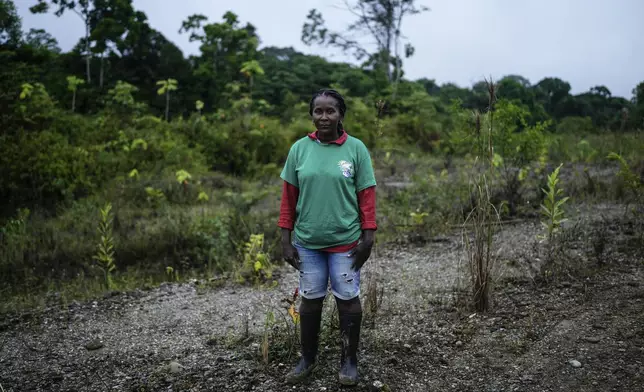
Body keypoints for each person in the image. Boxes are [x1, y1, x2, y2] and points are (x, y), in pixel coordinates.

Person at [277, 89, 377, 386]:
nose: (324, 117)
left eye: (330, 111)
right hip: (307, 242)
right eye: (318, 111)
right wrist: (285, 239)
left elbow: (366, 196)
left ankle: (349, 361)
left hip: (346, 242)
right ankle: (307, 359)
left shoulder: (356, 149)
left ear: (340, 115)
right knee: (310, 299)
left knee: (348, 300)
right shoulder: (299, 149)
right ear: (312, 115)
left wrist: (368, 238)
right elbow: (288, 197)